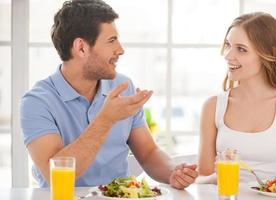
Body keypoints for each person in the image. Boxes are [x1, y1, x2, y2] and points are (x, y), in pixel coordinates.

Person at [20, 0, 197, 188]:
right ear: (81, 47)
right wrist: (105, 120)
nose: (120, 49)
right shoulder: (37, 102)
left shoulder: (122, 87)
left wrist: (173, 171)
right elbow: (54, 175)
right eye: (111, 41)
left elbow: (148, 153)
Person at [197, 12, 276, 183]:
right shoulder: (213, 106)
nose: (228, 55)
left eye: (241, 49)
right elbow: (203, 180)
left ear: (269, 53)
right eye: (228, 45)